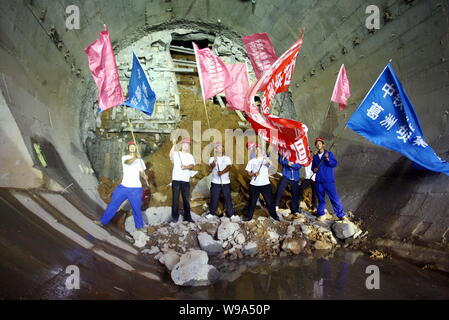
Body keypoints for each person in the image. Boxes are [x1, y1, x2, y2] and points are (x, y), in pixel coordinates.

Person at [95, 141, 148, 230]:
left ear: (136, 148)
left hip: (136, 188)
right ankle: (102, 221)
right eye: (130, 146)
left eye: (133, 146)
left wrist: (144, 176)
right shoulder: (125, 158)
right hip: (123, 187)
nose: (132, 148)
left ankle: (139, 227)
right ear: (128, 148)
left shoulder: (140, 160)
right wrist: (136, 157)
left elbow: (142, 172)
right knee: (113, 204)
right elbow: (128, 162)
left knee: (136, 208)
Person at [311, 138, 348, 222]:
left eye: (320, 143)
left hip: (329, 181)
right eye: (316, 143)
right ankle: (321, 214)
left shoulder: (329, 154)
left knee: (334, 198)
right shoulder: (315, 157)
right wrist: (314, 170)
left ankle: (341, 215)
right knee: (320, 199)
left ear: (323, 145)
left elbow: (334, 164)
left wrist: (328, 159)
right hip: (319, 181)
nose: (318, 145)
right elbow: (313, 168)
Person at [244, 144, 279, 221]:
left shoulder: (265, 160)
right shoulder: (251, 161)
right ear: (255, 152)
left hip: (265, 184)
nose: (258, 151)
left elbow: (271, 164)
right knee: (252, 202)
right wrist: (254, 174)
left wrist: (265, 157)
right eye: (256, 150)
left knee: (269, 202)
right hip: (254, 184)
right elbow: (248, 172)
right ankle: (248, 217)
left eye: (259, 149)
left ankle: (275, 216)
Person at [206, 142, 236, 220]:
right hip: (215, 182)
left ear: (223, 149)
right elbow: (212, 166)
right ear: (215, 149)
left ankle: (231, 214)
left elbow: (229, 167)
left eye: (220, 147)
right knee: (214, 197)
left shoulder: (227, 158)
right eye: (217, 147)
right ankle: (212, 213)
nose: (219, 148)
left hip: (225, 182)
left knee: (227, 198)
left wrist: (222, 172)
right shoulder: (212, 158)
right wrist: (215, 160)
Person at [170, 137, 195, 223]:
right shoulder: (177, 153)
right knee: (175, 199)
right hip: (176, 179)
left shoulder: (190, 156)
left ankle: (187, 217)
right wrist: (174, 144)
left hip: (185, 180)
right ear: (181, 145)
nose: (185, 145)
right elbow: (170, 155)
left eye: (187, 144)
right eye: (184, 144)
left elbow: (192, 165)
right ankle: (174, 217)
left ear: (189, 146)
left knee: (186, 199)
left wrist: (186, 167)